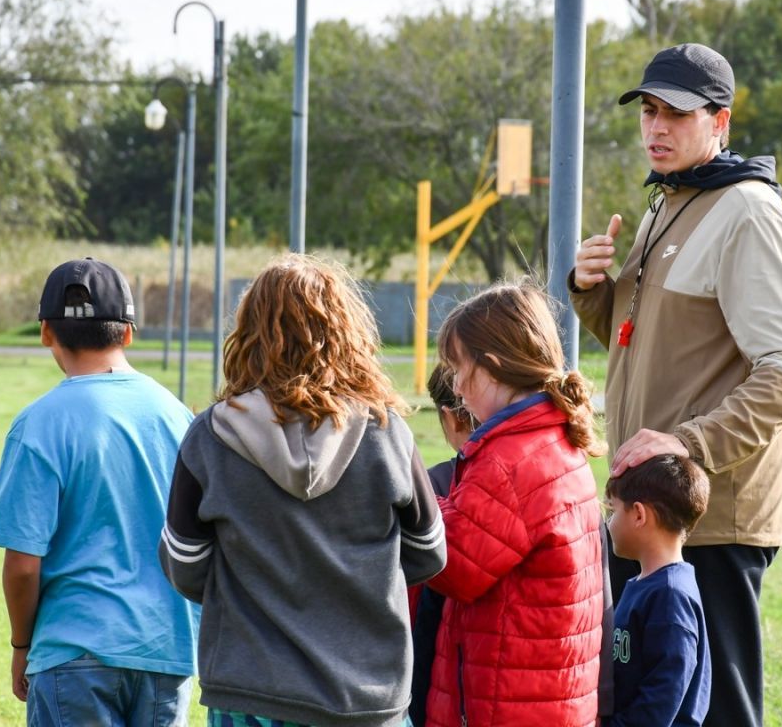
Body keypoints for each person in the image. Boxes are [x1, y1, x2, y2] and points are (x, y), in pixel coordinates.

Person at [570, 42, 782, 727]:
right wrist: (594, 292)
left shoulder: (747, 211)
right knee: (649, 705)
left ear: (721, 122)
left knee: (719, 714)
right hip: (650, 513)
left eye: (676, 113)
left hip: (708, 524)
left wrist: (685, 445)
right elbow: (652, 347)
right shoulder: (669, 203)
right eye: (649, 110)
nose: (656, 127)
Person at [158, 253, 446, 727]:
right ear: (348, 331)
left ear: (249, 333)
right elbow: (429, 554)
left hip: (250, 692)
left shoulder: (212, 436)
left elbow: (185, 568)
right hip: (367, 697)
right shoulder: (386, 432)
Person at [0, 257, 198, 726]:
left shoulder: (38, 423)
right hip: (166, 649)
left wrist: (22, 645)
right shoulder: (178, 417)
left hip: (71, 651)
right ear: (129, 333)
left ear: (44, 332)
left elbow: (21, 566)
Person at [425, 282, 605, 727]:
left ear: (494, 366)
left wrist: (407, 495)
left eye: (460, 369)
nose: (459, 389)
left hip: (510, 704)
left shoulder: (512, 459)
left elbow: (453, 565)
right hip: (547, 699)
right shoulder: (552, 438)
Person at [603, 455, 712, 727]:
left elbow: (664, 694)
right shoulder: (643, 584)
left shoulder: (670, 595)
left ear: (639, 514)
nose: (609, 523)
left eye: (612, 510)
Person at [408, 364, 476, 727]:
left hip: (439, 689)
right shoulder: (560, 474)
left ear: (449, 419)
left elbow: (415, 613)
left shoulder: (429, 491)